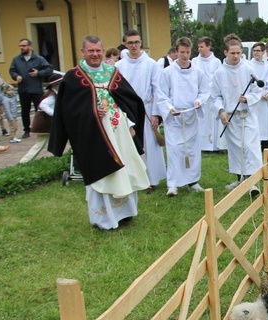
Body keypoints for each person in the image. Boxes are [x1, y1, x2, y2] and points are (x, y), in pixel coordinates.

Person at [48, 35, 150, 230]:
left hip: (118, 132)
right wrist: (92, 111)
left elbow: (129, 99)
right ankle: (103, 218)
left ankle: (125, 213)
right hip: (92, 136)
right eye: (90, 51)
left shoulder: (113, 72)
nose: (95, 54)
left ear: (103, 52)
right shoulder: (74, 77)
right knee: (103, 173)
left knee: (124, 168)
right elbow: (67, 111)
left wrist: (129, 123)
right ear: (83, 52)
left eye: (98, 51)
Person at [157, 37, 209, 197]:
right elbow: (161, 94)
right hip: (175, 117)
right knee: (174, 150)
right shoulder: (167, 72)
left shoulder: (198, 72)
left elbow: (205, 91)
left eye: (187, 52)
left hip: (191, 114)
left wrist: (200, 101)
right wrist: (170, 108)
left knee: (192, 150)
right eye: (181, 52)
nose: (185, 55)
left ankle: (193, 181)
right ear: (176, 52)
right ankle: (173, 184)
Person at [211, 36, 264, 194]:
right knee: (236, 148)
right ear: (225, 52)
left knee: (249, 146)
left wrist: (247, 98)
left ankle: (252, 182)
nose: (236, 56)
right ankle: (240, 179)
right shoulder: (219, 73)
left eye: (238, 53)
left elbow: (258, 90)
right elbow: (215, 96)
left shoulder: (248, 69)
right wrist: (221, 111)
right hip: (231, 117)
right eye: (232, 53)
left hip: (247, 115)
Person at [115, 29, 166, 193]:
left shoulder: (151, 64)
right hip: (126, 109)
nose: (134, 46)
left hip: (146, 107)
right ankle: (132, 178)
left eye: (136, 42)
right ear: (125, 44)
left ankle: (150, 179)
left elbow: (158, 89)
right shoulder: (119, 66)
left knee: (149, 145)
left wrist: (156, 114)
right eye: (130, 43)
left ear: (141, 42)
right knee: (128, 143)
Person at [9, 38, 52, 139]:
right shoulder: (16, 59)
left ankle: (43, 128)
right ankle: (26, 130)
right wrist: (16, 76)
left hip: (36, 89)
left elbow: (49, 69)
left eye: (24, 46)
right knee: (25, 111)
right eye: (20, 46)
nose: (21, 48)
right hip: (23, 89)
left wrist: (38, 73)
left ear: (30, 46)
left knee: (40, 109)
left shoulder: (39, 59)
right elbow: (12, 70)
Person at [191, 36, 223, 153]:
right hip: (200, 96)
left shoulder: (216, 62)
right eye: (198, 46)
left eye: (202, 46)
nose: (199, 49)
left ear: (208, 47)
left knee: (213, 121)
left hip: (212, 96)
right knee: (202, 121)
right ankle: (202, 145)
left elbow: (218, 78)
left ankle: (214, 145)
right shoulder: (194, 61)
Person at [20, 74, 61, 163]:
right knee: (40, 143)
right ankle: (24, 161)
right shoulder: (52, 95)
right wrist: (54, 114)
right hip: (44, 123)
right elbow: (43, 105)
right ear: (56, 85)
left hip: (47, 123)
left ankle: (57, 157)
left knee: (54, 141)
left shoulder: (54, 94)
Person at [249, 42, 268, 151]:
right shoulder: (249, 65)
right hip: (254, 96)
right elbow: (250, 82)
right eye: (254, 51)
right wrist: (259, 93)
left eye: (258, 51)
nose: (255, 53)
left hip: (265, 98)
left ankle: (264, 141)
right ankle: (255, 140)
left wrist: (267, 92)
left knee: (264, 119)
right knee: (254, 119)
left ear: (263, 52)